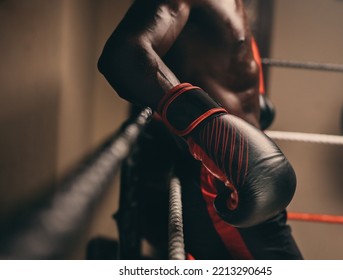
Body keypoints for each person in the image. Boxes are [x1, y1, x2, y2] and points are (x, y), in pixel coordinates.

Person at [98, 0, 303, 260]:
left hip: (240, 168)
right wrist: (209, 127)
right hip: (222, 175)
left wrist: (254, 107)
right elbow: (124, 54)